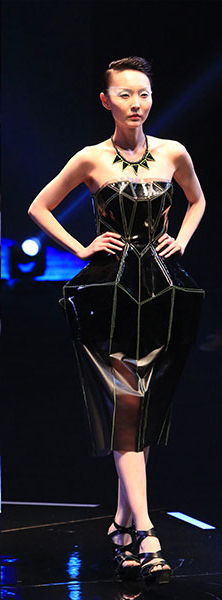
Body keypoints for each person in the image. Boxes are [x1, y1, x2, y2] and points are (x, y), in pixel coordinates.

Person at [28, 57, 205, 585]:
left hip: (164, 292)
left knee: (143, 411)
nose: (136, 103)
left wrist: (182, 240)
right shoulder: (90, 158)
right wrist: (81, 247)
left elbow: (196, 201)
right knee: (127, 405)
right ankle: (146, 533)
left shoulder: (173, 152)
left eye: (143, 93)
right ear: (106, 101)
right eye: (125, 94)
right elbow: (39, 207)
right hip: (109, 293)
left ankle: (121, 529)